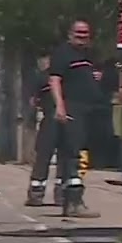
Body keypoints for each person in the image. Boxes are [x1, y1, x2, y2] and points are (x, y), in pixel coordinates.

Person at [47, 19, 103, 218]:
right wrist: (60, 106)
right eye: (78, 33)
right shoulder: (63, 53)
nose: (82, 36)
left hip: (89, 109)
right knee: (73, 153)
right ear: (70, 34)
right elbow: (55, 79)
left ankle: (69, 198)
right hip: (73, 108)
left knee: (80, 153)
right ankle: (73, 201)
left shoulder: (87, 55)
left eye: (85, 33)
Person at [24, 53, 63, 206]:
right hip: (56, 120)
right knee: (55, 157)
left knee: (45, 157)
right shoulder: (43, 77)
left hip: (53, 119)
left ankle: (38, 193)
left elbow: (33, 101)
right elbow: (33, 100)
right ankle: (57, 194)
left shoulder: (42, 77)